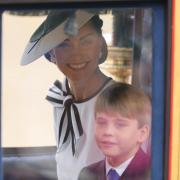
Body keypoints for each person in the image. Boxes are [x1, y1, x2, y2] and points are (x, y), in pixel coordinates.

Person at [21, 10, 114, 180]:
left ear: (100, 45)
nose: (76, 54)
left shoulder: (119, 100)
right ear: (51, 54)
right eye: (64, 44)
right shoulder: (61, 100)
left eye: (86, 41)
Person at [78, 82, 151, 180]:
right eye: (102, 122)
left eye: (120, 125)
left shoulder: (156, 174)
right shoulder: (87, 174)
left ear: (142, 133)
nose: (108, 132)